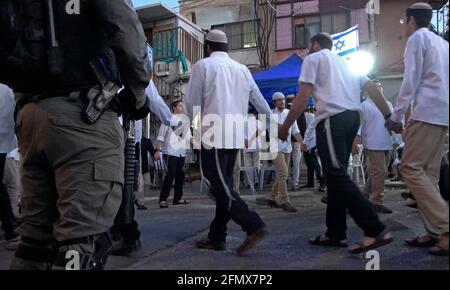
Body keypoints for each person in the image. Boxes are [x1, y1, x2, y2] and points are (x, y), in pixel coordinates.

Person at [4, 1, 152, 270]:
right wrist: (138, 93)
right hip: (83, 116)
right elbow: (126, 31)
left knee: (35, 243)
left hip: (30, 115)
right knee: (81, 243)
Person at [279, 32, 394, 254]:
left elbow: (303, 98)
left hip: (333, 118)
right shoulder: (346, 63)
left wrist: (285, 126)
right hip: (352, 118)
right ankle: (335, 233)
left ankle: (374, 228)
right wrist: (388, 116)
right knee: (335, 177)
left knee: (336, 174)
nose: (306, 49)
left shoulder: (313, 59)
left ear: (314, 44)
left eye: (308, 45)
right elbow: (371, 88)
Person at [184, 30, 272, 256]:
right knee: (225, 186)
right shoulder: (242, 70)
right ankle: (217, 236)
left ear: (208, 47)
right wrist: (272, 124)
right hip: (235, 136)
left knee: (221, 187)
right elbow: (259, 100)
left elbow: (193, 104)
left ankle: (252, 224)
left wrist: (193, 133)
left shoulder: (202, 66)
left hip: (212, 135)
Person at [386, 2, 449, 256]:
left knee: (409, 168)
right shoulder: (443, 44)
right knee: (428, 174)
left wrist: (396, 114)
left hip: (427, 111)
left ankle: (445, 227)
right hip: (442, 114)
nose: (405, 27)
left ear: (411, 19)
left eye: (404, 22)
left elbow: (411, 80)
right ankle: (434, 232)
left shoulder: (417, 39)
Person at [356, 81, 395, 214]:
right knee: (381, 172)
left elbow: (394, 121)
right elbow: (359, 125)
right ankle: (376, 201)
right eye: (376, 88)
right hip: (373, 143)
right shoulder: (364, 106)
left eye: (380, 88)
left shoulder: (388, 105)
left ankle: (363, 197)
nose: (378, 91)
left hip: (387, 142)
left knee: (377, 173)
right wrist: (356, 141)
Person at [269, 92, 304, 213]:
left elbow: (295, 130)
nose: (282, 101)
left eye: (283, 99)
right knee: (283, 172)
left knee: (282, 174)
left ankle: (272, 197)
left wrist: (301, 142)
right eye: (279, 100)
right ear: (274, 102)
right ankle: (285, 201)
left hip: (287, 148)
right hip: (275, 148)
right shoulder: (270, 114)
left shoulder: (289, 113)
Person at [155, 99, 192, 208]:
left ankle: (178, 198)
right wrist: (158, 150)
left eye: (182, 106)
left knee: (180, 175)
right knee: (170, 175)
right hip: (170, 151)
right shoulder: (168, 119)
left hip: (181, 152)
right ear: (174, 108)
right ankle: (163, 199)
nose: (182, 108)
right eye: (180, 106)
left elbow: (188, 137)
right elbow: (161, 136)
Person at [0, 84, 20, 250]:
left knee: (6, 186)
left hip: (4, 146)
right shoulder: (6, 90)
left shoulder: (3, 90)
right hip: (4, 145)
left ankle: (10, 228)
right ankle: (10, 228)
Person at [302, 105, 326, 192]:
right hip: (309, 143)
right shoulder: (314, 117)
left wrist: (306, 142)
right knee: (309, 163)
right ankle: (310, 182)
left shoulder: (312, 117)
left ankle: (322, 181)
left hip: (314, 143)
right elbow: (309, 130)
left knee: (315, 163)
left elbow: (310, 131)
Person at [244, 107, 265, 189]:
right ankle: (257, 181)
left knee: (248, 165)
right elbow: (262, 133)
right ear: (255, 114)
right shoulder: (258, 122)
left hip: (246, 146)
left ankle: (249, 182)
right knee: (257, 164)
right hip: (257, 146)